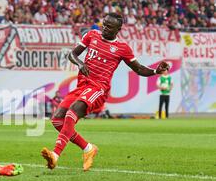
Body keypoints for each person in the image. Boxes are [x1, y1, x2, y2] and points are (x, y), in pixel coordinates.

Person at [41, 13, 170, 171]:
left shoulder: (122, 48)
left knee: (73, 111)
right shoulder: (91, 35)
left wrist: (156, 71)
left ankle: (55, 155)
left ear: (118, 29)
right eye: (104, 24)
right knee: (57, 120)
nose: (105, 28)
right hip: (82, 85)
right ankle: (88, 148)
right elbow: (72, 54)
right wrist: (80, 63)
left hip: (98, 88)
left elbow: (139, 69)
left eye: (109, 27)